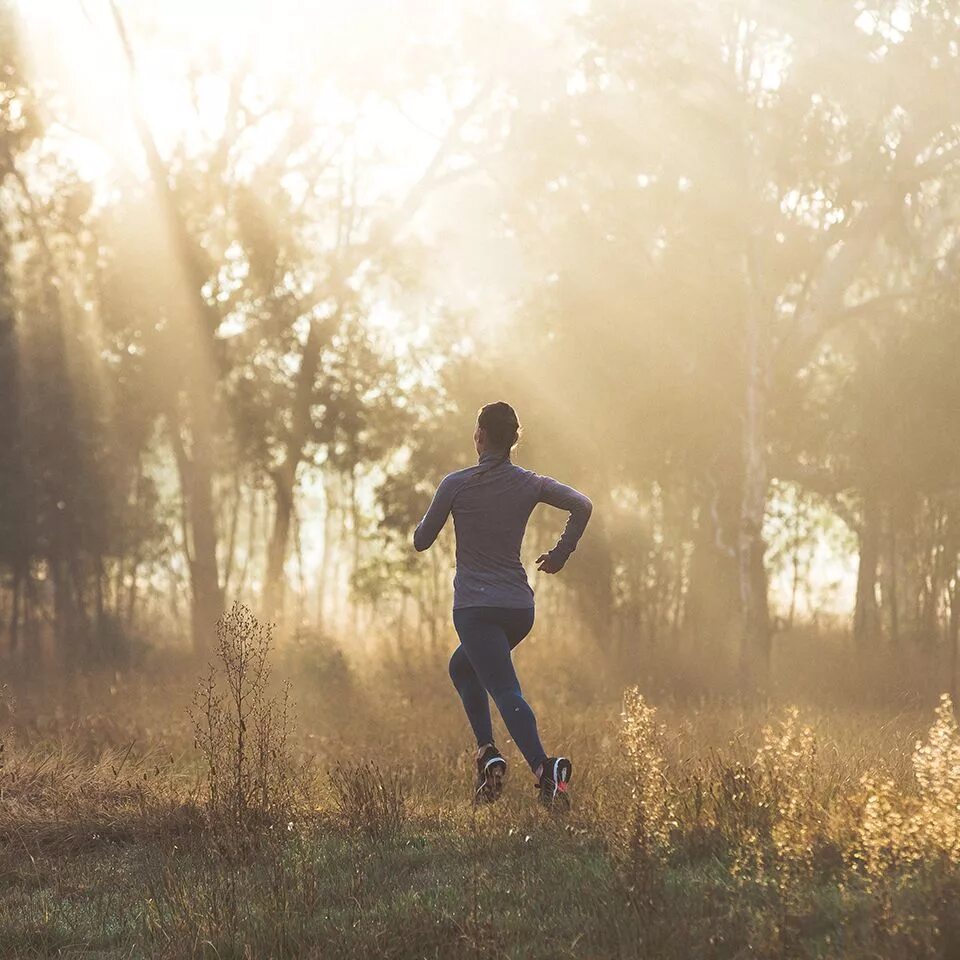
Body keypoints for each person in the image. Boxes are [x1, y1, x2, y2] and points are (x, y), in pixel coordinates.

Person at [413, 401, 593, 807]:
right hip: (517, 610)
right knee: (462, 667)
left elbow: (422, 540)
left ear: (479, 435)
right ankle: (487, 753)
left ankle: (545, 768)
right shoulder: (530, 483)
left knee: (503, 686)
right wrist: (561, 554)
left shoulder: (456, 484)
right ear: (513, 441)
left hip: (475, 610)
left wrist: (421, 527)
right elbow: (582, 504)